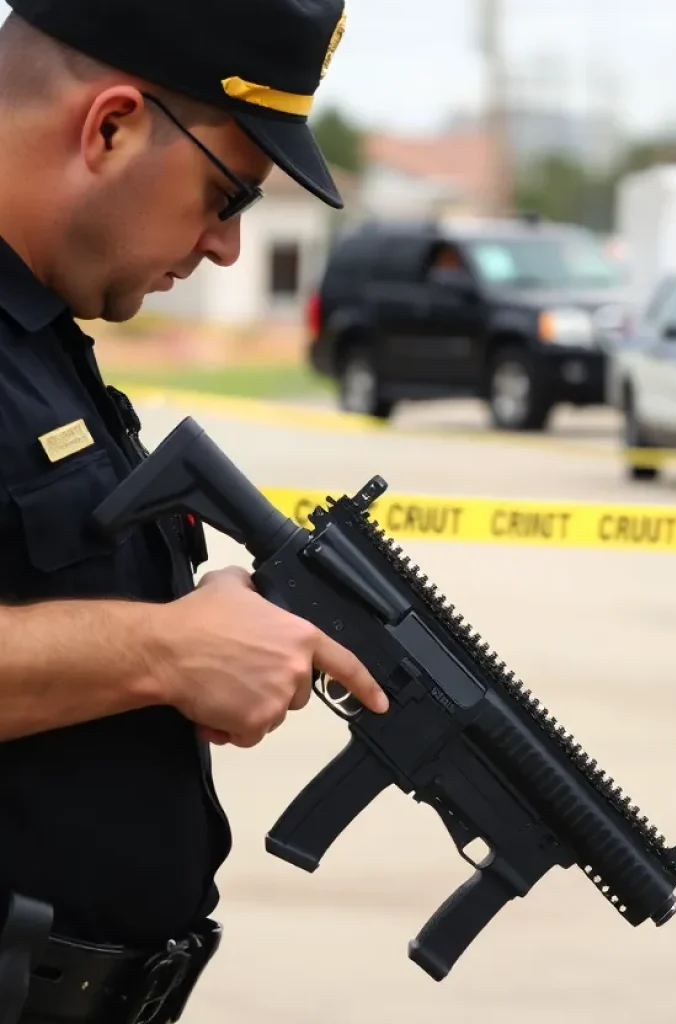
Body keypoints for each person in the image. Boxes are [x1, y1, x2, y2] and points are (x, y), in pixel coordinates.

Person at [0, 0, 390, 1021]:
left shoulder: (39, 334)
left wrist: (200, 637)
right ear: (111, 125)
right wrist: (155, 651)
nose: (223, 245)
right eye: (228, 194)